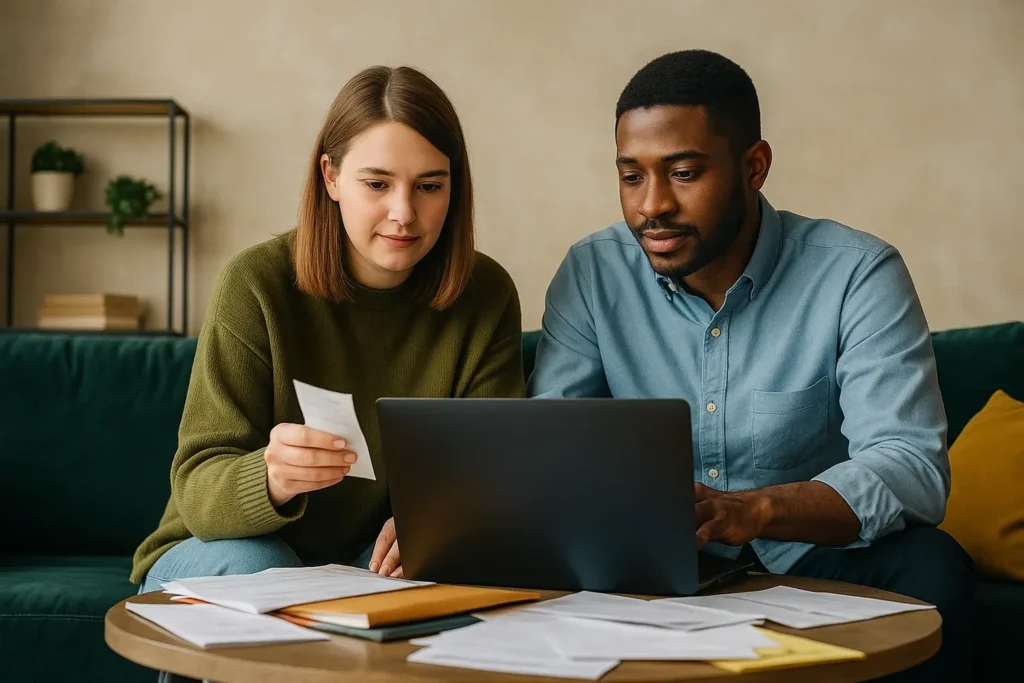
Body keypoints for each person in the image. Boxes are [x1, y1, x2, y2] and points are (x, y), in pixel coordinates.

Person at [528, 49, 975, 681]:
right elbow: (548, 444)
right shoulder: (592, 273)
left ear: (754, 166)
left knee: (934, 566)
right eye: (631, 176)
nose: (652, 205)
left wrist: (756, 510)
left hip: (812, 555)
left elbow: (910, 464)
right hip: (651, 566)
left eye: (684, 173)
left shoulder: (856, 272)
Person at [132, 65, 526, 596]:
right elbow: (197, 492)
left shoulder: (485, 295)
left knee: (446, 564)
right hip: (222, 549)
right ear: (331, 177)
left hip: (365, 563)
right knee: (266, 566)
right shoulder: (256, 283)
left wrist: (441, 521)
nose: (404, 213)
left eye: (429, 186)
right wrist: (270, 478)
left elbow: (492, 473)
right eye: (377, 184)